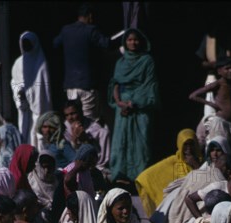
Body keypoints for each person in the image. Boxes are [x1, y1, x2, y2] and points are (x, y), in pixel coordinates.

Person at [108, 28, 160, 185]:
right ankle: (120, 176)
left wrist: (134, 103)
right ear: (125, 42)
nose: (133, 43)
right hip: (122, 108)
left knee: (141, 143)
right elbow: (115, 83)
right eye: (129, 40)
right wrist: (119, 102)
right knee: (120, 141)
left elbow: (150, 85)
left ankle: (140, 177)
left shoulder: (147, 61)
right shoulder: (121, 62)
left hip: (140, 107)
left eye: (136, 39)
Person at [54, 2, 111, 120]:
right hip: (87, 85)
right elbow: (106, 44)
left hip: (70, 85)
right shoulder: (91, 30)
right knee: (90, 123)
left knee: (73, 120)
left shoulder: (66, 30)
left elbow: (55, 44)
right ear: (90, 16)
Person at [135, 128, 202, 218]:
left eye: (191, 144)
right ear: (180, 144)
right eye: (185, 144)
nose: (188, 148)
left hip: (197, 207)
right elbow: (145, 177)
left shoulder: (203, 162)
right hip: (177, 210)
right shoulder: (172, 162)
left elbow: (205, 182)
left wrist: (195, 165)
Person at [11, 31, 52, 147]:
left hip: (39, 107)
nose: (26, 46)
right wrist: (20, 93)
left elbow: (42, 89)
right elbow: (14, 82)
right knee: (25, 132)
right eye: (23, 43)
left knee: (38, 134)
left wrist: (29, 94)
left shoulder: (41, 62)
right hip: (24, 109)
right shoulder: (19, 63)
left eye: (28, 43)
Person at [63, 98, 111, 174]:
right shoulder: (65, 129)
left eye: (73, 113)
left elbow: (97, 154)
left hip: (95, 166)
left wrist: (85, 140)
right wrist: (74, 141)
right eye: (67, 115)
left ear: (81, 112)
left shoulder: (96, 128)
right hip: (73, 166)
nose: (70, 118)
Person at [28, 151, 61, 223]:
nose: (46, 171)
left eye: (49, 167)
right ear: (39, 166)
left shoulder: (57, 181)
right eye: (44, 167)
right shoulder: (32, 180)